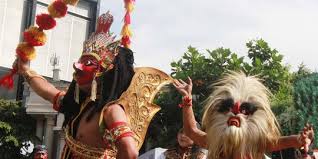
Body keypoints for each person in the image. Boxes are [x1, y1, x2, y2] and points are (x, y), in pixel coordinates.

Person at [14, 12, 171, 159]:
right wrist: (27, 72)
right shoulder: (82, 105)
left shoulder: (112, 110)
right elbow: (48, 92)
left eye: (88, 63)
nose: (78, 67)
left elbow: (129, 151)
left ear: (104, 72)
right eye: (81, 61)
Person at [173, 71, 314, 159]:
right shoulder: (216, 142)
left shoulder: (256, 143)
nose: (235, 113)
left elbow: (282, 141)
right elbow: (191, 131)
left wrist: (299, 139)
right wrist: (187, 103)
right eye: (229, 109)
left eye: (244, 111)